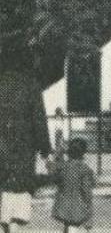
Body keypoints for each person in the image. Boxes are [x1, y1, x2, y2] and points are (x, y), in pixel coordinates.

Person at [0, 44, 52, 233]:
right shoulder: (30, 85)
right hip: (23, 149)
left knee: (3, 188)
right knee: (20, 190)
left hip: (1, 147)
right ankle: (13, 226)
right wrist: (45, 149)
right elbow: (39, 120)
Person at [51, 139, 93, 233]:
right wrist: (89, 214)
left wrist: (58, 153)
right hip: (77, 206)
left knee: (67, 227)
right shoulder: (84, 169)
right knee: (73, 226)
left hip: (62, 204)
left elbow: (54, 174)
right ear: (83, 153)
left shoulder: (63, 167)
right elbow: (87, 193)